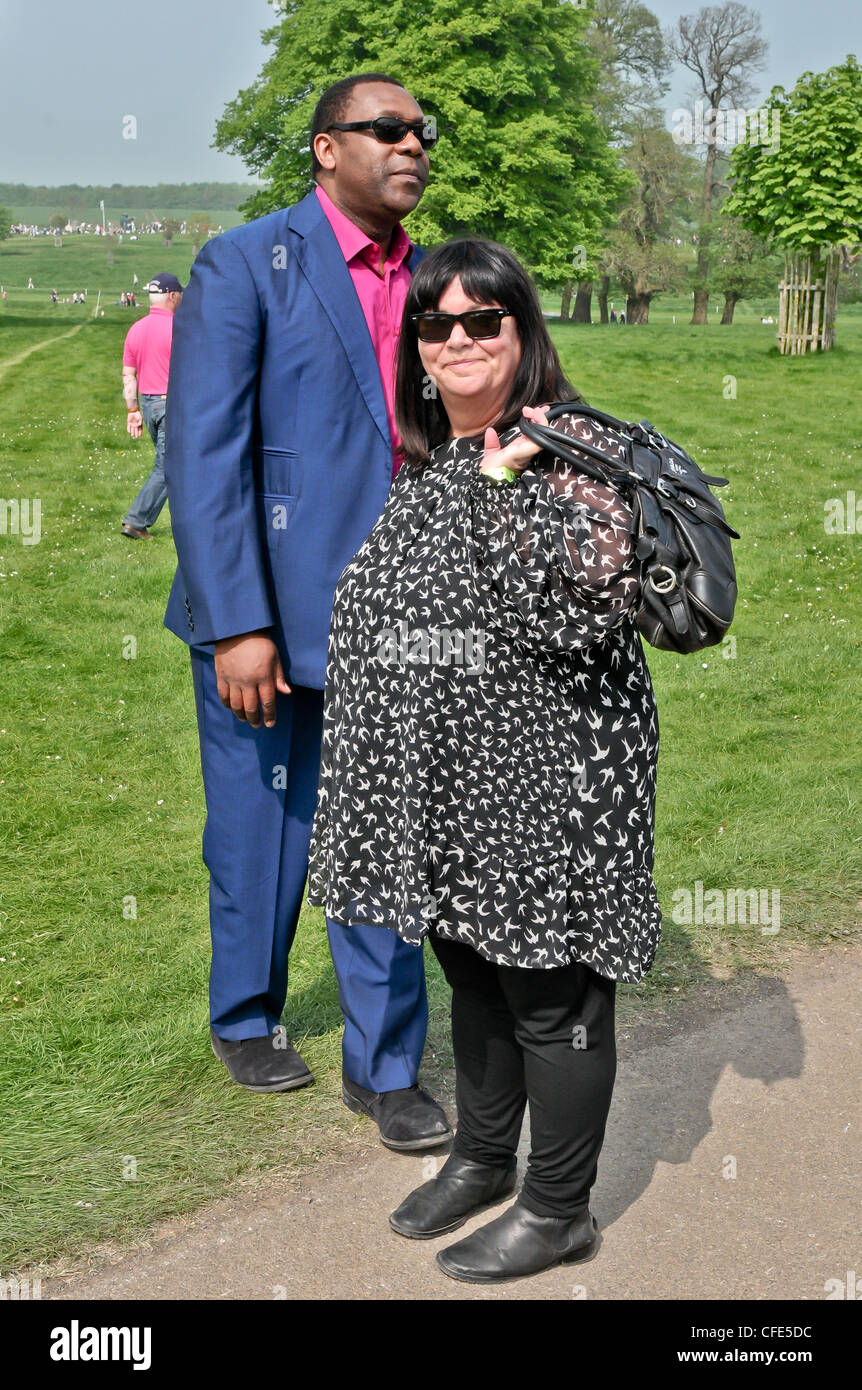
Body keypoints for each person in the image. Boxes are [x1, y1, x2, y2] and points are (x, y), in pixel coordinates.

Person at [306, 238, 662, 1282]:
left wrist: (510, 486)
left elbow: (575, 621)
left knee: (550, 994)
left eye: (482, 320)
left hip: (550, 774)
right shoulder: (435, 461)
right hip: (453, 780)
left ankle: (559, 1208)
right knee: (471, 972)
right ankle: (480, 1155)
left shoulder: (573, 450)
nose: (457, 338)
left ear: (523, 331)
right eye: (436, 323)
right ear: (416, 346)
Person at [163, 74, 451, 1152]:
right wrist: (240, 619)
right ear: (327, 149)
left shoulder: (438, 280)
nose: (411, 144)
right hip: (264, 617)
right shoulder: (247, 262)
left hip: (395, 617)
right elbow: (203, 450)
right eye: (387, 129)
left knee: (386, 834)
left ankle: (386, 1073)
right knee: (261, 828)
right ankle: (245, 1014)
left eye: (422, 132)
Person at [120, 272, 183, 540]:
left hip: (147, 404)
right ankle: (136, 520)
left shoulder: (136, 329)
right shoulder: (181, 329)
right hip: (171, 404)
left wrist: (133, 411)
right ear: (172, 295)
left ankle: (193, 518)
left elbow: (128, 375)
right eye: (180, 294)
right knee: (169, 465)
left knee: (173, 465)